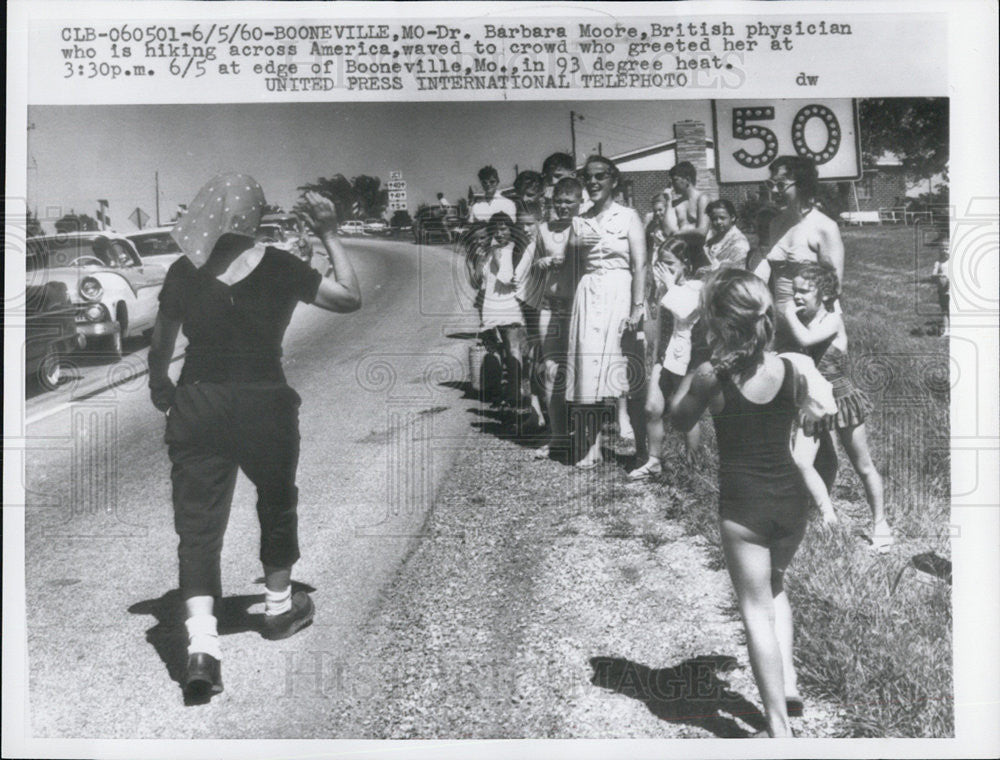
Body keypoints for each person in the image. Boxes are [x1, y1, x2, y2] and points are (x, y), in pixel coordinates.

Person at [147, 175, 362, 698]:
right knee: (276, 499)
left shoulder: (183, 270)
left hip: (198, 401)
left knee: (198, 525)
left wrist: (161, 383)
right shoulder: (284, 267)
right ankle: (279, 607)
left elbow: (160, 344)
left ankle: (202, 647)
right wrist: (331, 233)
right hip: (264, 401)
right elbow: (350, 298)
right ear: (256, 217)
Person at [670, 268, 815, 738]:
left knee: (754, 611)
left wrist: (694, 352)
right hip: (792, 502)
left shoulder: (713, 375)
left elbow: (678, 417)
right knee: (775, 584)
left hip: (744, 507)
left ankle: (778, 728)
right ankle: (788, 682)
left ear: (716, 321)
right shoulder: (792, 369)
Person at [781, 264, 893, 552]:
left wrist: (787, 315)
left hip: (842, 399)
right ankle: (828, 515)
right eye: (794, 290)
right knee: (801, 460)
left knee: (863, 465)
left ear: (825, 293)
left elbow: (805, 340)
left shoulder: (832, 320)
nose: (796, 297)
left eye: (804, 291)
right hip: (814, 400)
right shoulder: (801, 320)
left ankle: (880, 523)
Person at [565, 155, 647, 467]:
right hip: (588, 296)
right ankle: (592, 447)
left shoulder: (628, 217)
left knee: (626, 370)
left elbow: (640, 264)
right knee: (587, 371)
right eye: (588, 177)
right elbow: (572, 268)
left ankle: (642, 451)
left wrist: (637, 308)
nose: (594, 182)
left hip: (621, 295)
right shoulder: (580, 221)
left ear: (613, 179)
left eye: (600, 176)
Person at [628, 234, 710, 479]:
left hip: (687, 358)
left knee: (685, 413)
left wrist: (670, 286)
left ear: (687, 263)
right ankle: (654, 460)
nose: (663, 270)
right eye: (661, 264)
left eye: (670, 264)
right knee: (652, 408)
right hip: (664, 356)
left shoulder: (699, 287)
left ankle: (692, 464)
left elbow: (685, 312)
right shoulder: (666, 287)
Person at [524, 177, 583, 457]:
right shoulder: (542, 230)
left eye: (568, 202)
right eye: (558, 201)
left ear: (579, 203)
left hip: (580, 305)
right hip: (550, 305)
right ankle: (558, 435)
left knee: (583, 369)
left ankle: (585, 435)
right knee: (550, 370)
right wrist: (542, 262)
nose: (562, 207)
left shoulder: (584, 227)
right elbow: (529, 267)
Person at [476, 211, 530, 409]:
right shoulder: (491, 250)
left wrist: (498, 259)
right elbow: (480, 282)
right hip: (491, 307)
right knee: (495, 352)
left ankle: (516, 396)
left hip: (509, 305)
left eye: (504, 228)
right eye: (495, 230)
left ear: (511, 229)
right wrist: (482, 259)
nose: (499, 234)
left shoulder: (515, 250)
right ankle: (500, 394)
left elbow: (508, 279)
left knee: (512, 350)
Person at [662, 161, 711, 237]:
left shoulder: (702, 199)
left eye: (675, 180)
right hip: (682, 247)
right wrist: (668, 201)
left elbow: (702, 231)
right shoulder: (676, 203)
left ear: (687, 180)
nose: (672, 185)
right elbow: (667, 230)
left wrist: (678, 233)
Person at [541, 152, 590, 220]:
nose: (553, 182)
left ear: (573, 175)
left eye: (558, 176)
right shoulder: (544, 201)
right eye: (549, 178)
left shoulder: (587, 200)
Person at [705, 199, 752, 270]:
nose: (718, 222)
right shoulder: (712, 238)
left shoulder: (739, 242)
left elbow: (738, 268)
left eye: (722, 218)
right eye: (714, 219)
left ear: (732, 217)